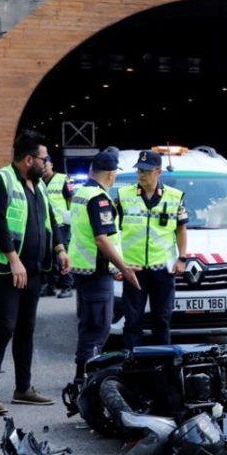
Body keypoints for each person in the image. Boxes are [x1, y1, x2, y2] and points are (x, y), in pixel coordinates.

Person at [0, 130, 68, 415]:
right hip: (4, 270)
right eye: (44, 158)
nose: (47, 163)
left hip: (34, 270)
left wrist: (59, 248)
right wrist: (13, 260)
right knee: (5, 327)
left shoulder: (38, 185)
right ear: (29, 159)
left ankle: (23, 388)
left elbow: (50, 219)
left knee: (26, 329)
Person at [68, 147, 139, 383]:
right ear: (111, 174)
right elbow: (101, 239)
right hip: (97, 274)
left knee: (87, 326)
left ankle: (82, 376)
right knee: (98, 329)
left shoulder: (81, 193)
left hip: (83, 270)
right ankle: (87, 379)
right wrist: (124, 268)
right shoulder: (99, 199)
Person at [117, 149, 189, 349]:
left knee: (162, 320)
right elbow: (113, 233)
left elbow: (181, 230)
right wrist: (118, 266)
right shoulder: (124, 196)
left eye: (146, 171)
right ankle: (132, 365)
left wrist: (182, 258)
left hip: (162, 270)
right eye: (139, 170)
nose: (141, 174)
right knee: (132, 321)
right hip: (134, 270)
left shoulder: (174, 197)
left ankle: (162, 367)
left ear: (158, 172)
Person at [40, 156, 76, 299]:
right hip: (46, 225)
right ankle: (51, 286)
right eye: (41, 164)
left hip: (61, 224)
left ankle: (67, 286)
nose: (43, 167)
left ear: (52, 165)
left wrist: (72, 218)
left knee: (62, 256)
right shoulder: (38, 181)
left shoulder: (63, 178)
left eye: (46, 164)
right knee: (48, 257)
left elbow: (71, 198)